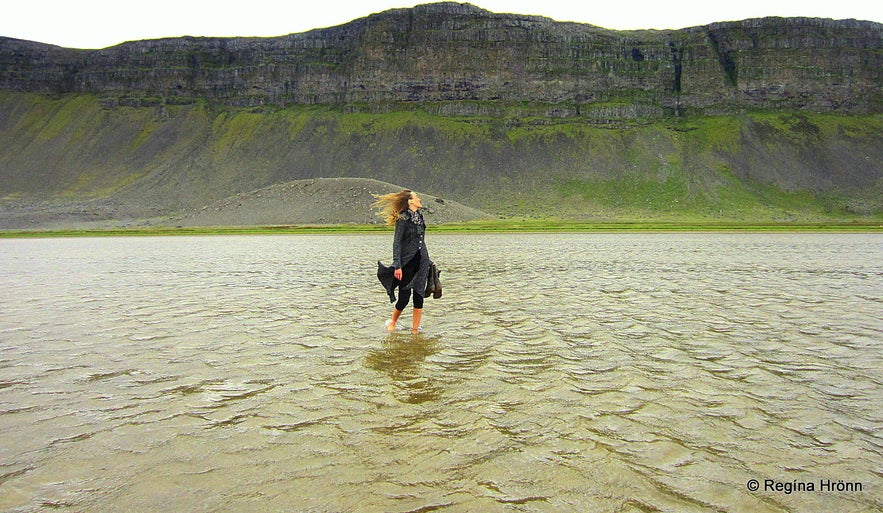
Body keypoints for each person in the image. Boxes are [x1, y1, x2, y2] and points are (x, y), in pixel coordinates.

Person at [373, 189, 430, 334]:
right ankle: (392, 322)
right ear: (410, 201)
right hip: (407, 263)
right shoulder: (403, 219)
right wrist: (397, 265)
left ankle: (415, 330)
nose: (419, 200)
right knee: (404, 298)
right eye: (417, 197)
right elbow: (397, 243)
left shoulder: (420, 216)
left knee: (419, 295)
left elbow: (421, 241)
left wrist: (428, 260)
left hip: (422, 261)